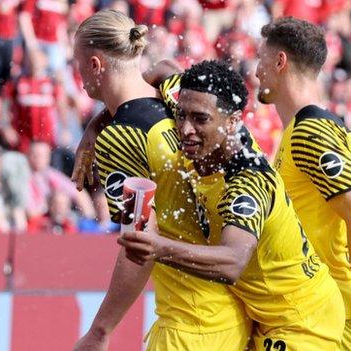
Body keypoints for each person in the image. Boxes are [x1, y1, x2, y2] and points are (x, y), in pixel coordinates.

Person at [119, 60, 345, 350]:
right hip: (260, 317)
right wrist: (98, 125)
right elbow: (163, 68)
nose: (186, 129)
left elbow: (232, 261)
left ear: (233, 121)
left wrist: (158, 247)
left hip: (300, 322)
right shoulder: (200, 99)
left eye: (200, 119)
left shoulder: (246, 183)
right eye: (181, 115)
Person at [72, 10, 250, 351]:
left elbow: (139, 244)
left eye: (78, 64)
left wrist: (100, 331)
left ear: (95, 65)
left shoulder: (120, 139)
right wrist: (96, 124)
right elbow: (166, 65)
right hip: (236, 310)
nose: (78, 75)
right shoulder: (179, 93)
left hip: (189, 324)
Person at [255, 17, 351, 350]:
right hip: (328, 316)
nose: (256, 70)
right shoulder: (335, 131)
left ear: (280, 62)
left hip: (323, 320)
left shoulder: (311, 134)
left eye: (260, 58)